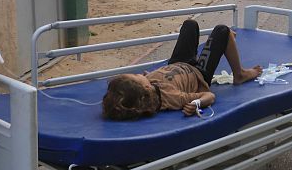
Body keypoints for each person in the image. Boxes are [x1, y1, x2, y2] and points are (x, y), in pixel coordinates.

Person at [103, 20, 262, 120]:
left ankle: (227, 40)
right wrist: (196, 102)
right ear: (145, 88)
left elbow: (150, 80)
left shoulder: (148, 86)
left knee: (189, 25)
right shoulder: (172, 97)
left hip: (178, 63)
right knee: (222, 30)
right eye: (136, 76)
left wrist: (147, 76)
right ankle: (239, 74)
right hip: (199, 73)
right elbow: (209, 96)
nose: (139, 73)